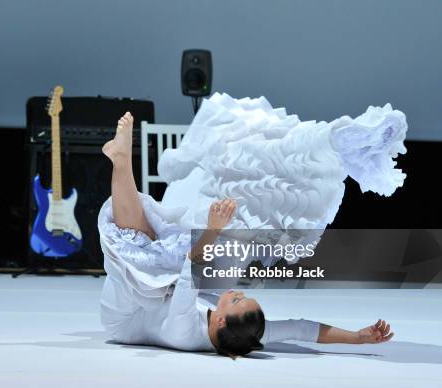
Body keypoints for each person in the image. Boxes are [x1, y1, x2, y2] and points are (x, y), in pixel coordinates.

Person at [98, 111, 394, 358]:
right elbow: (300, 329)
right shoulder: (245, 331)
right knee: (230, 246)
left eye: (238, 300)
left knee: (146, 247)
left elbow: (193, 263)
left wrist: (214, 227)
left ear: (221, 320)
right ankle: (296, 158)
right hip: (170, 292)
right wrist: (357, 337)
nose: (240, 294)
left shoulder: (183, 331)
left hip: (126, 315)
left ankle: (121, 161)